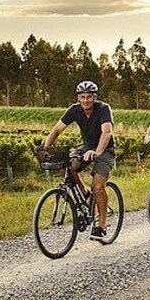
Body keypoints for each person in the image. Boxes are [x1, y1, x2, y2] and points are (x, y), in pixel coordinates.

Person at [43, 80, 116, 242]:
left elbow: (107, 132)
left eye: (89, 97)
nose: (85, 101)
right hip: (87, 146)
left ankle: (101, 225)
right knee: (70, 165)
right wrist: (46, 147)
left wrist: (96, 152)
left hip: (105, 150)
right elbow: (57, 129)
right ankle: (84, 193)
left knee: (98, 186)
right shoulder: (74, 110)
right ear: (78, 98)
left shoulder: (104, 109)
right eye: (82, 97)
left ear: (94, 97)